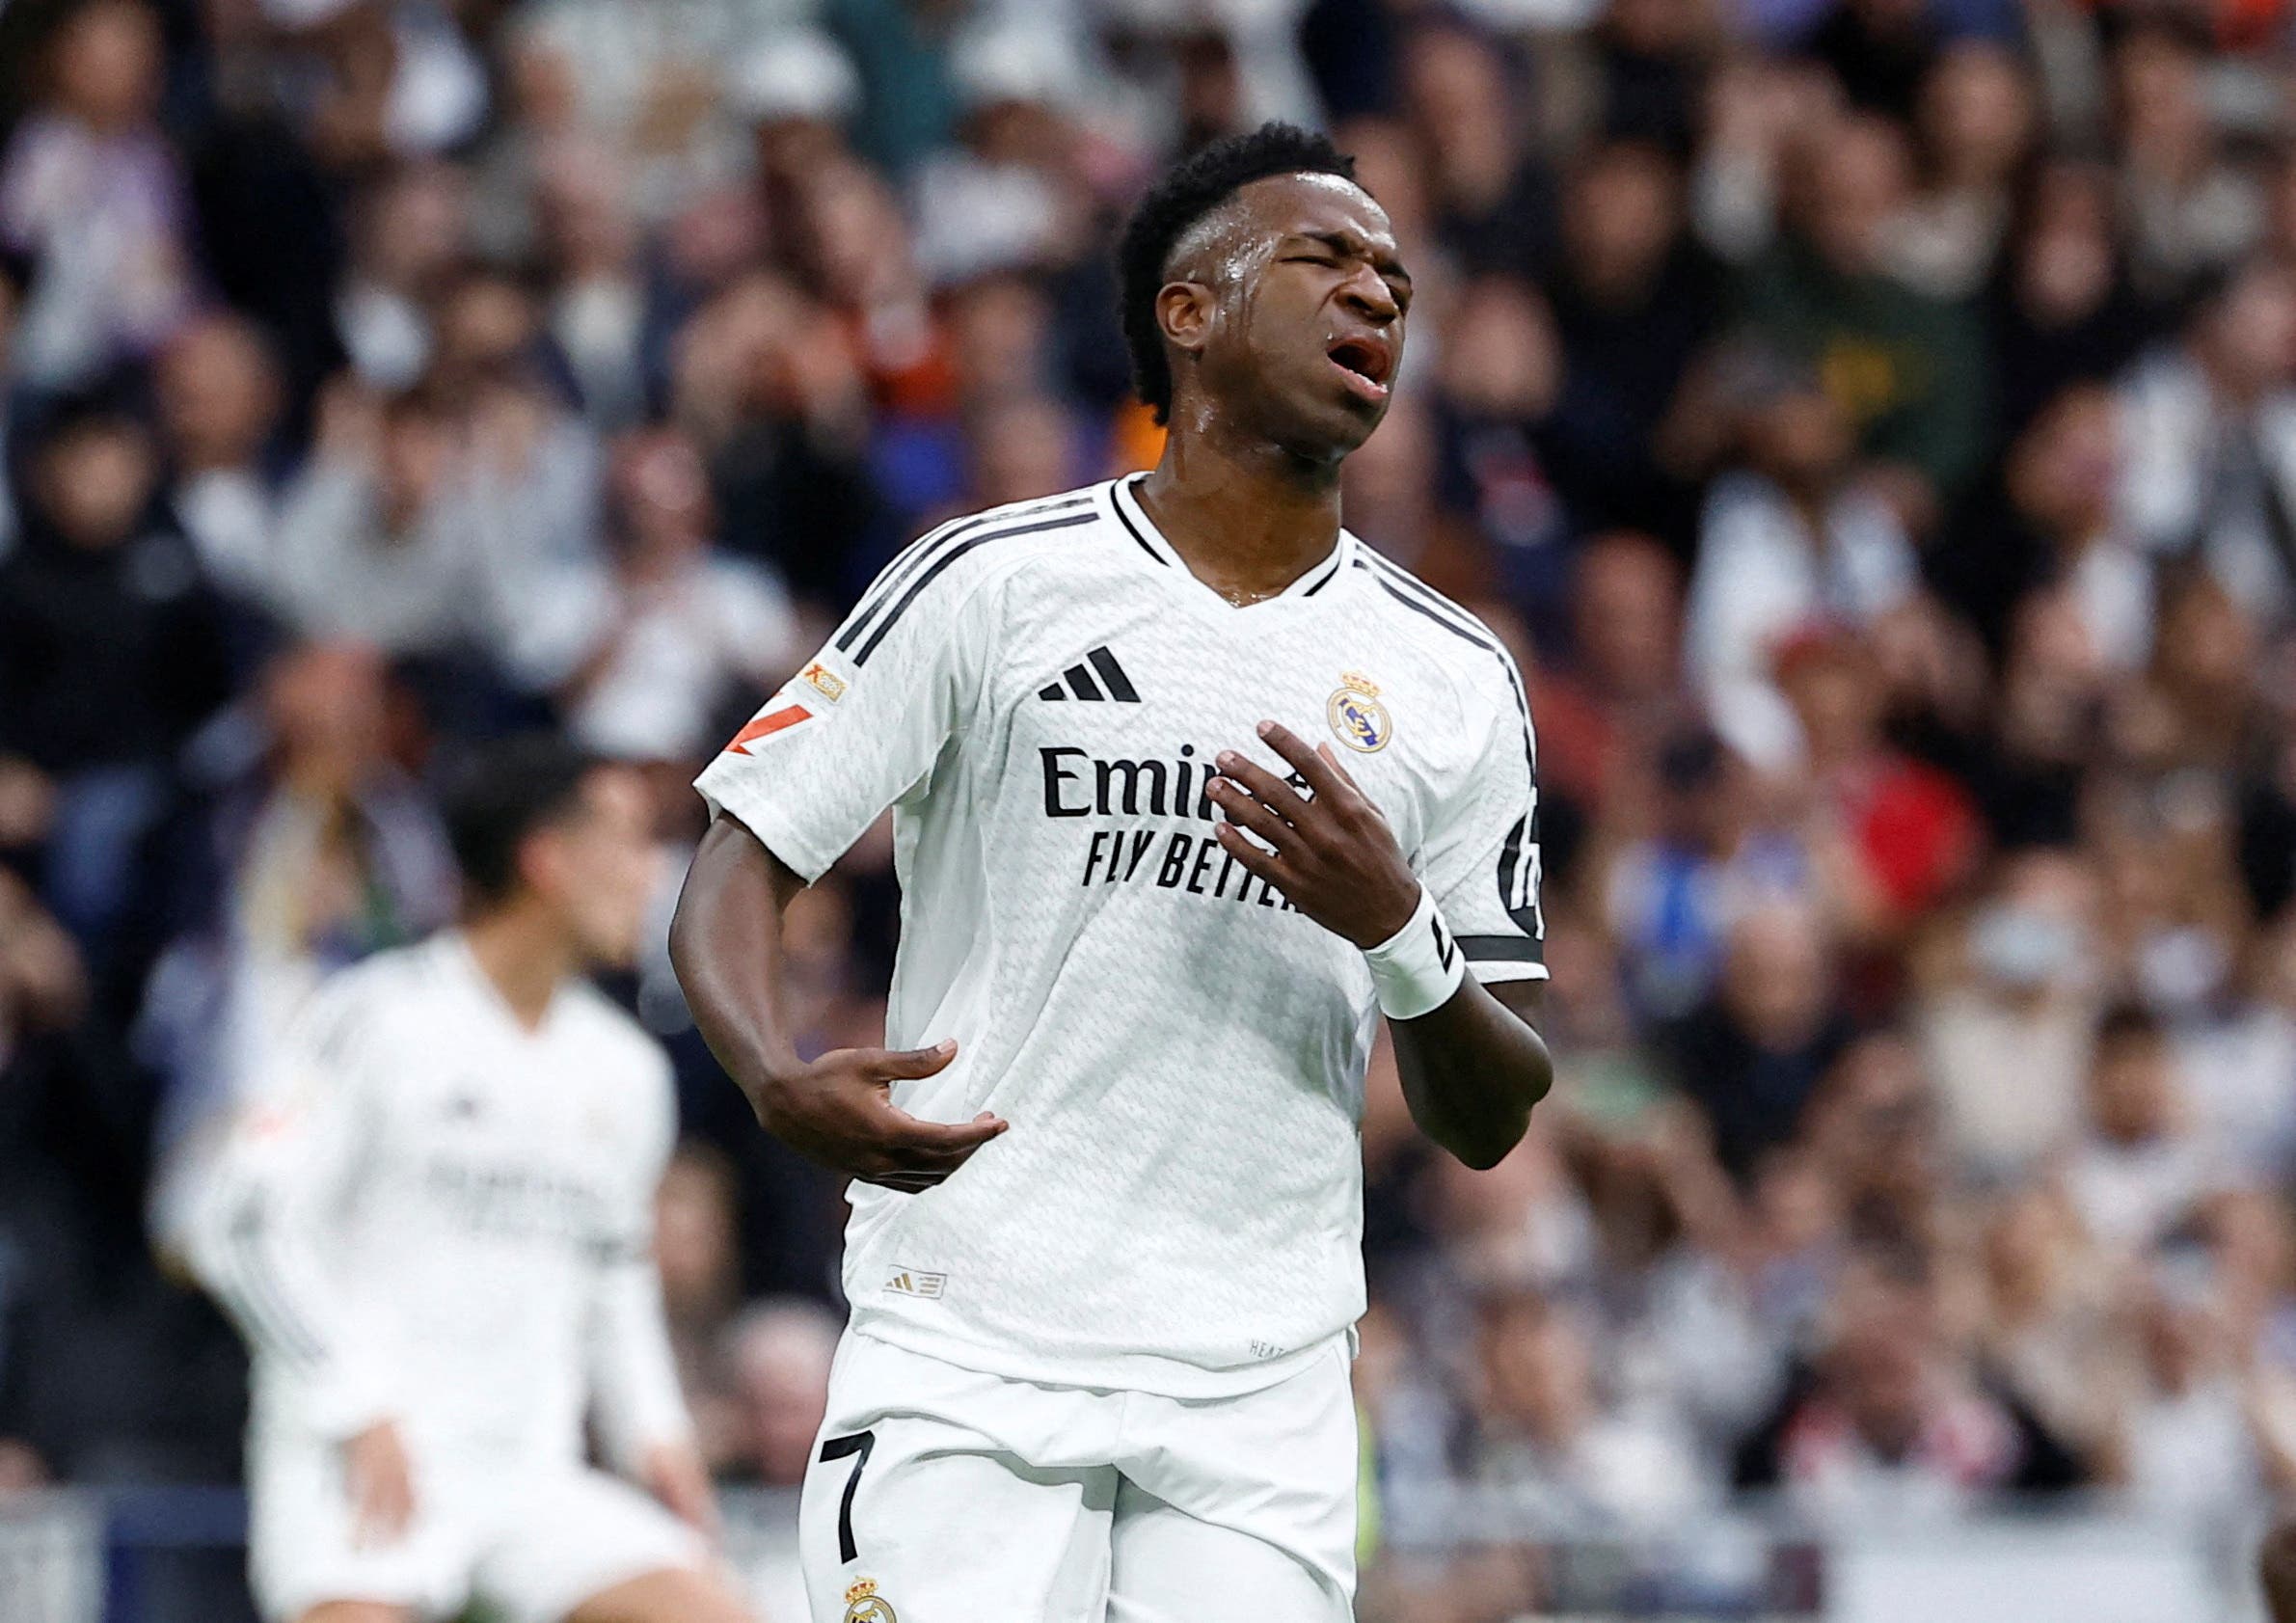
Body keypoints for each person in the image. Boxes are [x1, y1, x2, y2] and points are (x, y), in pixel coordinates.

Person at [671, 122, 1554, 1622]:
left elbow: (1493, 1111)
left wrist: (1398, 926)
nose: (1376, 299)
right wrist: (768, 1071)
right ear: (1188, 313)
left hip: (1259, 1379)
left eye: (1396, 283)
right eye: (1324, 261)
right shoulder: (994, 583)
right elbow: (739, 860)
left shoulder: (1456, 675)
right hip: (972, 1333)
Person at [189, 737, 753, 1623]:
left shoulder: (623, 1070)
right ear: (547, 858)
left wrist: (658, 1439)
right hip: (362, 1460)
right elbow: (238, 1223)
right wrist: (354, 1403)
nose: (651, 876)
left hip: (530, 1475)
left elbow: (615, 1269)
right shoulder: (371, 1018)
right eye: (630, 841)